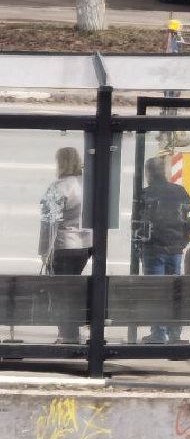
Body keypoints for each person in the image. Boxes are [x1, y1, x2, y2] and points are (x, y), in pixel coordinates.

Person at [136, 156, 190, 344]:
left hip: (154, 249)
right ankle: (175, 333)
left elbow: (138, 224)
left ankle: (158, 334)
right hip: (175, 249)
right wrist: (183, 240)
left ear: (148, 173)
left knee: (157, 291)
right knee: (173, 291)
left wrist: (139, 246)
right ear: (164, 172)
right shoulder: (180, 192)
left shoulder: (145, 194)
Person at [39, 146, 91, 345]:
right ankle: (73, 330)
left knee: (63, 291)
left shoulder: (58, 187)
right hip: (85, 245)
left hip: (63, 244)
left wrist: (45, 251)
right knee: (74, 287)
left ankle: (67, 333)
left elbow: (49, 223)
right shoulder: (87, 184)